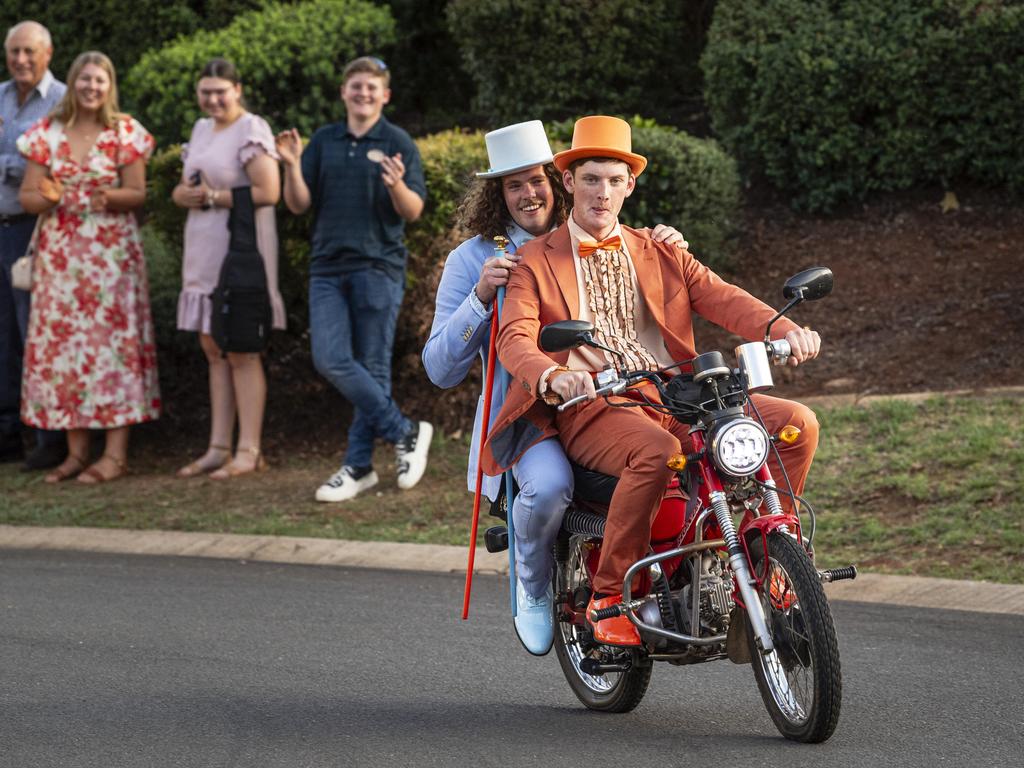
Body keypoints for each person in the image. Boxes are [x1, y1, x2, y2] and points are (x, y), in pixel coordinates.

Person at [482, 116, 822, 647]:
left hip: (678, 395)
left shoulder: (660, 248)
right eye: (591, 179)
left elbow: (723, 297)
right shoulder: (531, 260)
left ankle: (769, 561)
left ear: (629, 186)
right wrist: (552, 374)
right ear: (568, 182)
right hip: (594, 404)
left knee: (795, 423)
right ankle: (609, 595)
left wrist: (784, 327)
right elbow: (515, 338)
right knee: (659, 452)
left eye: (614, 181)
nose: (602, 192)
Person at [423, 120, 688, 654]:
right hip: (530, 415)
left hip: (609, 398)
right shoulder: (471, 258)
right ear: (496, 194)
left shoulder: (589, 231)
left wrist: (667, 248)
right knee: (547, 487)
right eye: (513, 184)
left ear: (558, 180)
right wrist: (478, 299)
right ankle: (534, 583)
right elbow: (439, 369)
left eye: (537, 180)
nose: (528, 194)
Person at [275, 56, 431, 502]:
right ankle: (405, 431)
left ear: (385, 96)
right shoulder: (324, 140)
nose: (363, 94)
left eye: (372, 88)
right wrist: (290, 164)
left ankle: (359, 466)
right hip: (327, 267)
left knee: (374, 367)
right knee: (331, 358)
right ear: (344, 92)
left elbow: (413, 210)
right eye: (356, 87)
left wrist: (396, 185)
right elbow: (298, 204)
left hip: (379, 267)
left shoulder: (398, 141)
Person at [17, 51, 159, 484]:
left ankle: (115, 454)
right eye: (85, 80)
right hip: (61, 255)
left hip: (111, 255)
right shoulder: (47, 133)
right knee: (66, 351)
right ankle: (77, 453)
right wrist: (51, 197)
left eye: (100, 81)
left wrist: (104, 197)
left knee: (112, 347)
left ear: (109, 85)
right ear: (73, 83)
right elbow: (27, 196)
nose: (92, 88)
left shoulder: (124, 132)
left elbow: (137, 192)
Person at [171, 58, 285, 479]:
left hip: (239, 256)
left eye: (221, 91)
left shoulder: (251, 129)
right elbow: (191, 184)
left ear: (237, 89)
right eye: (206, 91)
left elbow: (268, 190)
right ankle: (217, 446)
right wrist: (181, 195)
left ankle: (248, 448)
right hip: (201, 251)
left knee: (241, 348)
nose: (213, 99)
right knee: (212, 347)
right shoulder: (201, 129)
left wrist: (214, 197)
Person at [0, 21, 67, 470]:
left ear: (47, 53)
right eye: (13, 52)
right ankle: (7, 434)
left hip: (36, 230)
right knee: (2, 336)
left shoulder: (64, 99)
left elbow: (57, 166)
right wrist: (17, 163)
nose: (20, 60)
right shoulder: (0, 95)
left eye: (29, 52)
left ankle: (50, 438)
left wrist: (11, 164)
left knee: (37, 333)